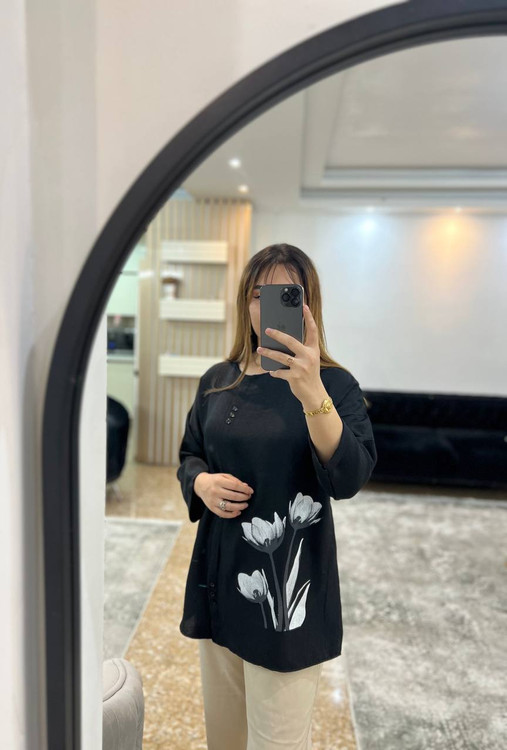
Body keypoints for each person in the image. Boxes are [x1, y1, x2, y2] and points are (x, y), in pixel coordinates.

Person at [176, 243, 377, 749]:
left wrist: (311, 392)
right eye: (258, 295)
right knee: (224, 738)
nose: (268, 308)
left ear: (308, 306)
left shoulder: (334, 385)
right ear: (245, 303)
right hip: (221, 581)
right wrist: (201, 483)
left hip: (286, 604)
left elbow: (349, 476)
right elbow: (190, 454)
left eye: (286, 295)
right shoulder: (218, 381)